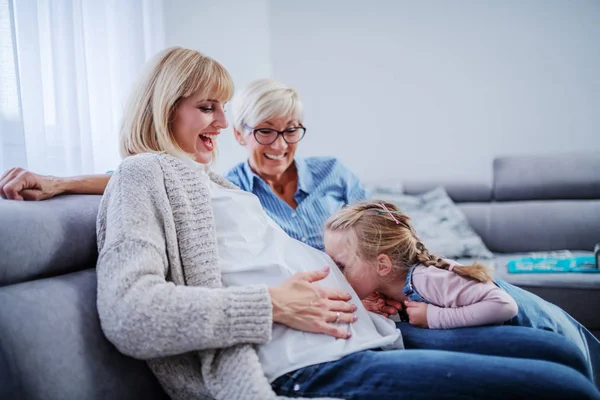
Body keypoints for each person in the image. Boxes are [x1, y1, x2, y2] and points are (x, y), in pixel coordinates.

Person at [1, 53, 599, 394]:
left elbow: (157, 178)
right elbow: (132, 314)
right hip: (316, 364)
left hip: (376, 328)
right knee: (566, 387)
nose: (219, 124)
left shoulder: (205, 182)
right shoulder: (150, 178)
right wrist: (271, 306)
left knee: (561, 353)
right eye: (207, 109)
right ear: (164, 109)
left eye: (222, 109)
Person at [324, 200, 519, 329]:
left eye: (340, 266)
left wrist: (434, 318)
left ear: (382, 265)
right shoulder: (386, 287)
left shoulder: (426, 279)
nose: (334, 274)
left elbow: (504, 305)